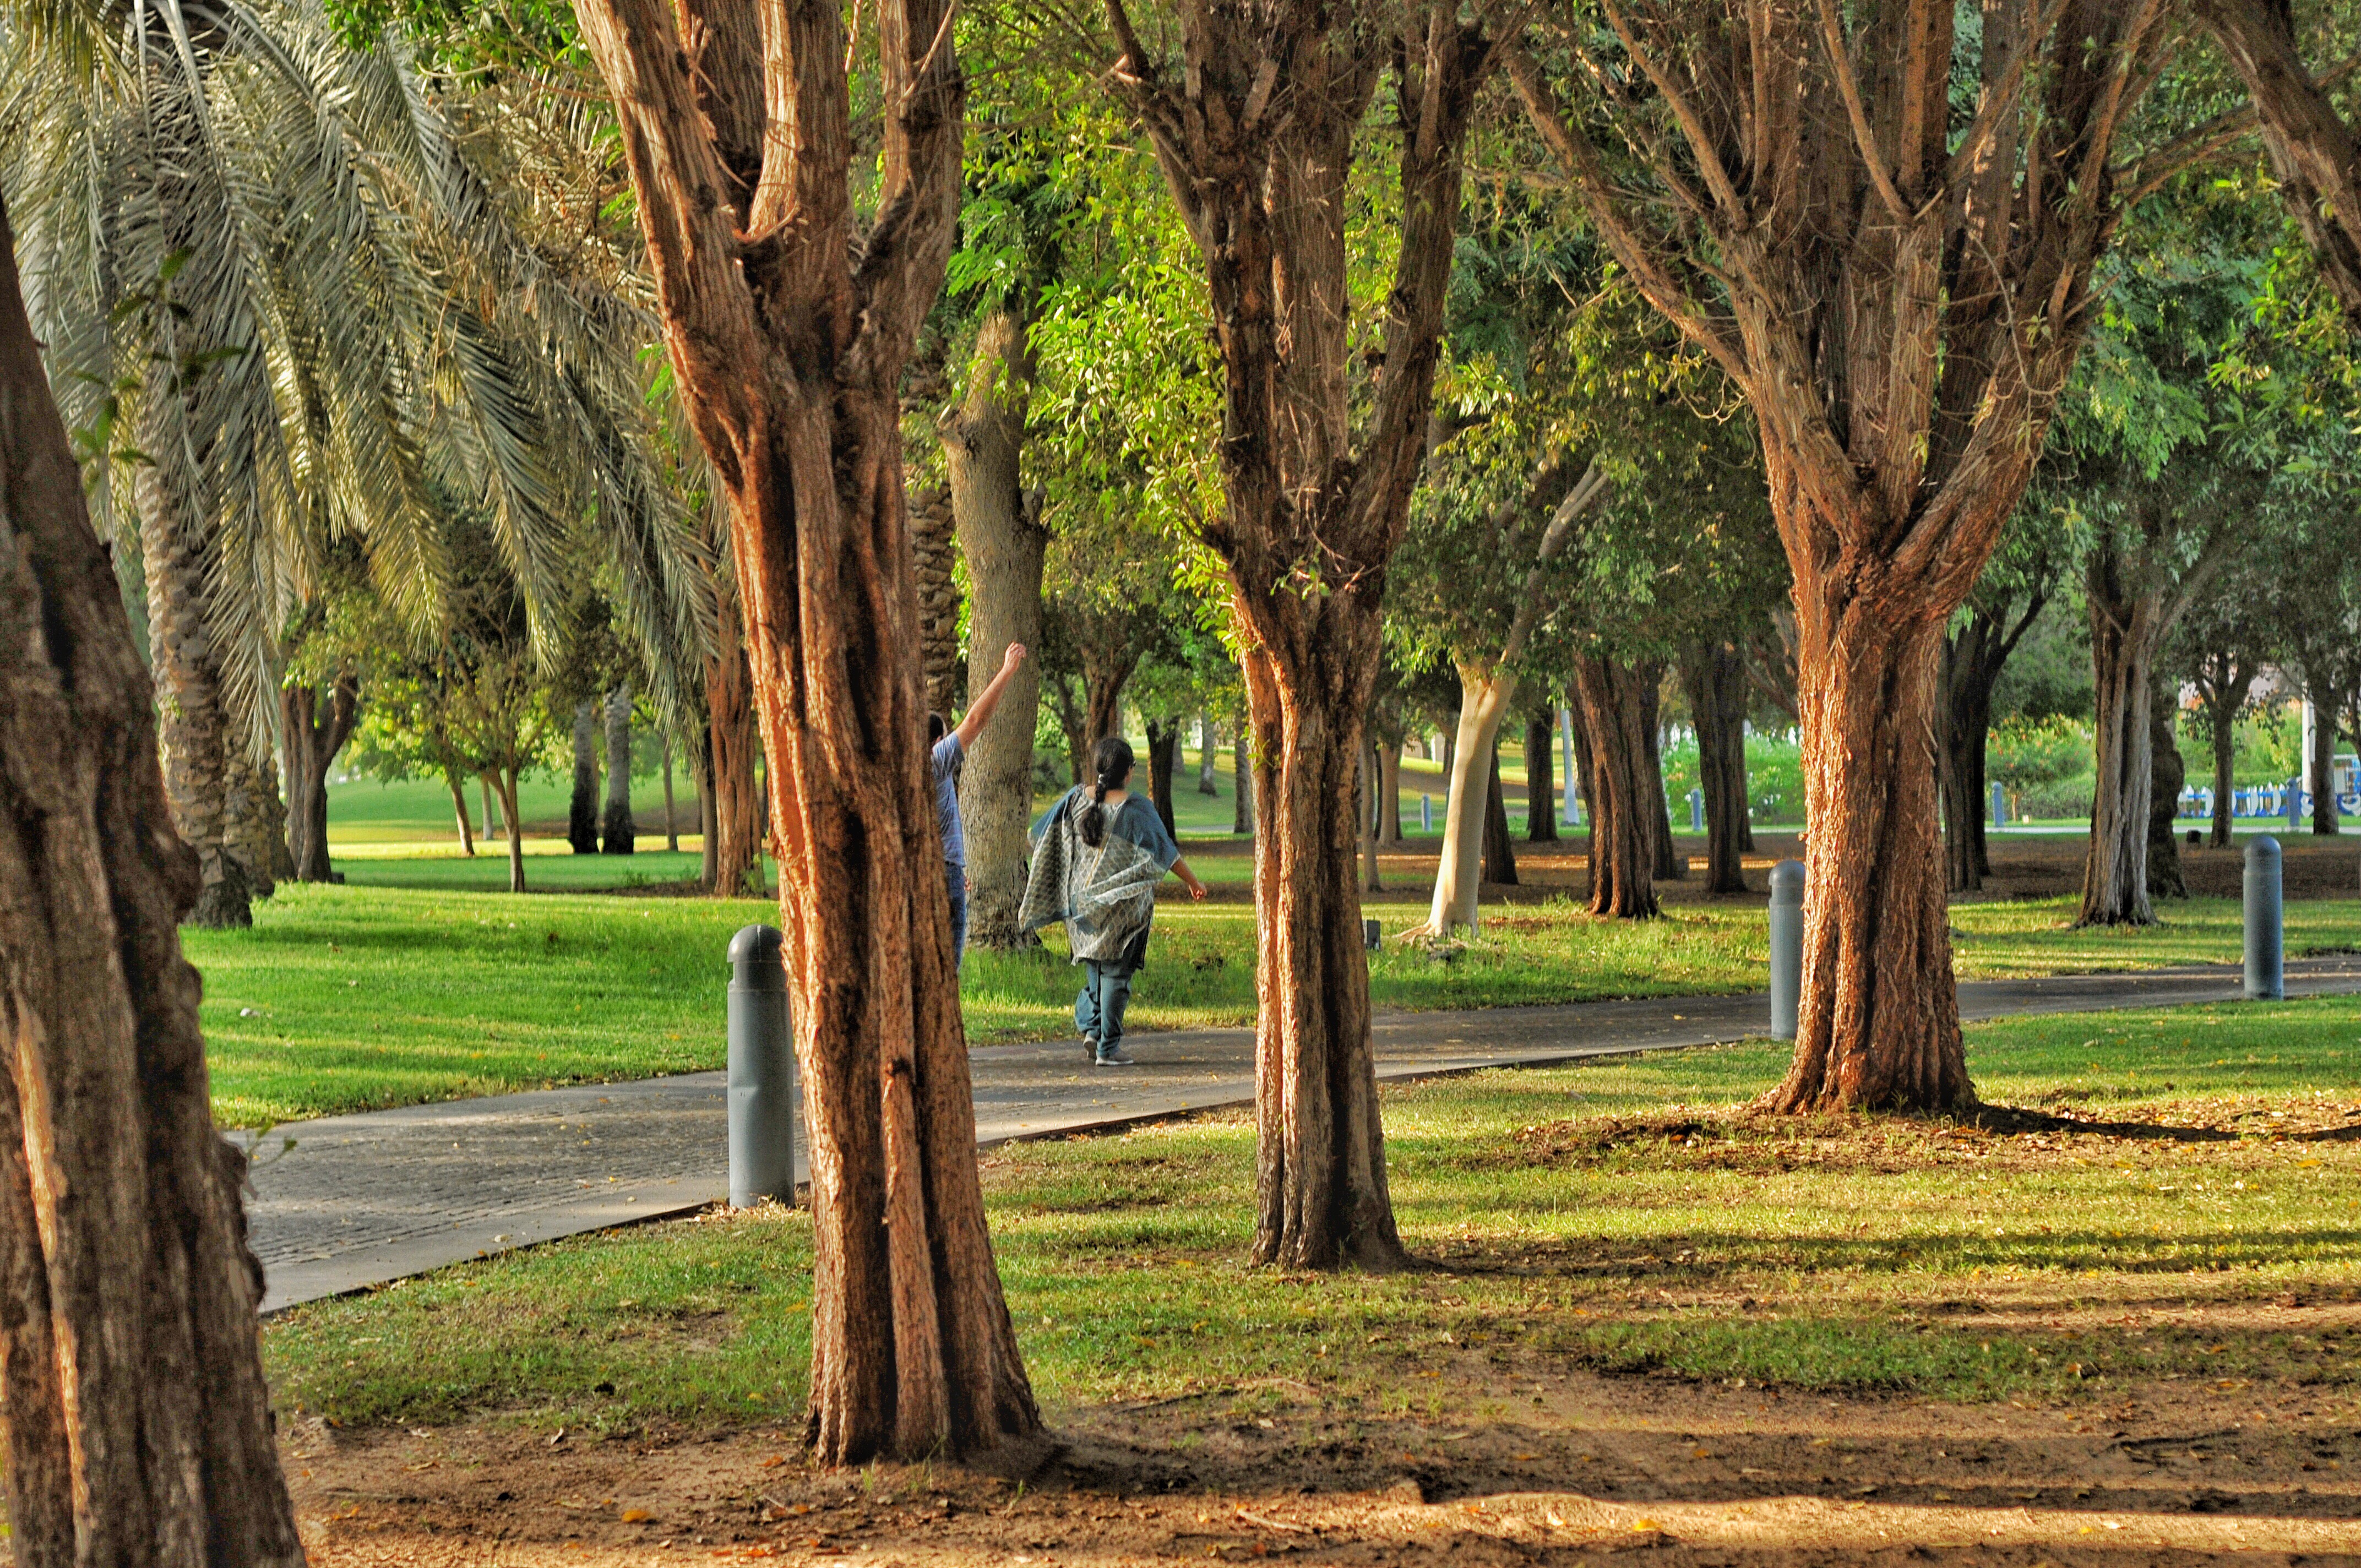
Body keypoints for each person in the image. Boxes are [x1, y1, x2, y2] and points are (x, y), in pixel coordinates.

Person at [1018, 736, 1209, 1066]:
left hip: (1082, 908)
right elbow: (1166, 853)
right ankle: (1108, 1049)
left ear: (1099, 767)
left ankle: (1092, 1030)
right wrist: (1194, 882)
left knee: (1094, 967)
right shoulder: (1138, 809)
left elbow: (1038, 836)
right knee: (1117, 976)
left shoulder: (1075, 800)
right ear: (1129, 771)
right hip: (1125, 908)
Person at [932, 641, 1029, 968]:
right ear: (936, 742)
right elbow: (974, 720)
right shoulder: (932, 763)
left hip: (932, 870)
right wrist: (1006, 671)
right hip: (942, 873)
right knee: (948, 971)